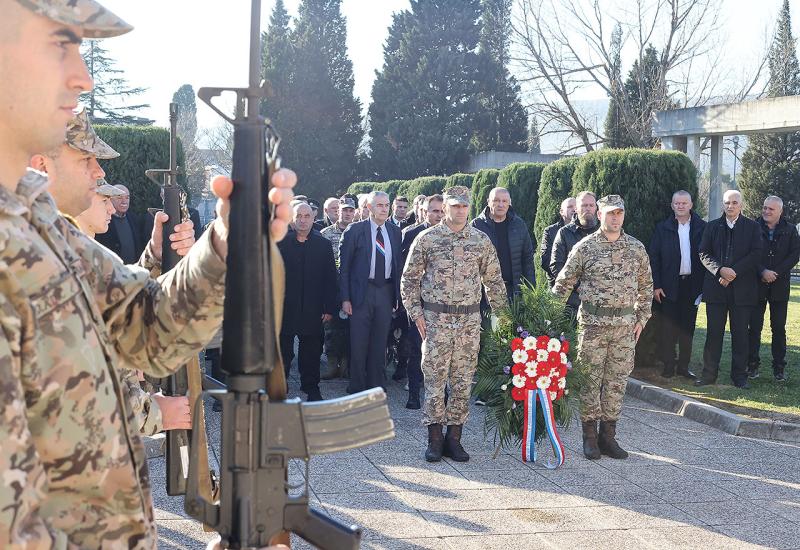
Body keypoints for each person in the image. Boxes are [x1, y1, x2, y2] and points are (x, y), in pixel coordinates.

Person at [0, 2, 296, 546]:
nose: (82, 76)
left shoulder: (31, 219)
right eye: (58, 44)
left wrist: (226, 245)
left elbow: (143, 325)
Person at [401, 186, 506, 463]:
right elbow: (409, 279)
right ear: (445, 207)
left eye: (463, 206)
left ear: (469, 208)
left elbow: (493, 281)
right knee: (435, 380)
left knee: (462, 382)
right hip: (435, 320)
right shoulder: (428, 238)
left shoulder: (480, 241)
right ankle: (434, 439)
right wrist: (417, 315)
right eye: (454, 206)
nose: (459, 210)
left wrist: (503, 318)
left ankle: (454, 438)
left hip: (469, 321)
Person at [553, 195, 652, 460]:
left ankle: (608, 437)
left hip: (624, 328)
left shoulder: (636, 248)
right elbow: (563, 283)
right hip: (593, 327)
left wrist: (642, 318)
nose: (615, 217)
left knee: (616, 383)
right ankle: (589, 437)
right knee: (590, 382)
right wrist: (548, 317)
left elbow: (646, 287)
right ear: (600, 215)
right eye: (610, 213)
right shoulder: (585, 247)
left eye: (619, 213)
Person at [696, 190, 763, 389]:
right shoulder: (712, 226)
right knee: (713, 334)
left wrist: (733, 272)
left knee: (741, 335)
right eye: (727, 202)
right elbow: (703, 253)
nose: (730, 206)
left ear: (740, 205)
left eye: (734, 202)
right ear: (723, 204)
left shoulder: (753, 227)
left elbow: (756, 253)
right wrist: (720, 271)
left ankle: (739, 376)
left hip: (742, 290)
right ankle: (709, 375)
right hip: (716, 289)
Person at [339, 191, 403, 393]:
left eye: (386, 205)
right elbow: (345, 268)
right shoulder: (354, 231)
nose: (384, 209)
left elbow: (397, 266)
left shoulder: (394, 232)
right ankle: (357, 385)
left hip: (384, 291)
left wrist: (396, 297)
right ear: (368, 208)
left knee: (380, 341)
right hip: (361, 293)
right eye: (379, 205)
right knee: (358, 342)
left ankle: (376, 384)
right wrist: (345, 298)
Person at [278, 203, 338, 401]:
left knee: (311, 352)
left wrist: (329, 308)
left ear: (314, 218)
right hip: (285, 308)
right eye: (299, 216)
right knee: (283, 351)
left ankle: (311, 386)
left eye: (307, 216)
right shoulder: (280, 244)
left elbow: (330, 278)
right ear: (292, 219)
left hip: (313, 308)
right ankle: (280, 384)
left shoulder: (323, 245)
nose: (303, 220)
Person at [648, 190, 706, 379]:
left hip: (692, 286)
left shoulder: (702, 227)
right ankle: (668, 365)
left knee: (687, 330)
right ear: (672, 205)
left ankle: (683, 367)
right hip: (668, 287)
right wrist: (656, 285)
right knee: (668, 329)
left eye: (684, 203)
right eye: (677, 203)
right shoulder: (662, 228)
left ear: (691, 205)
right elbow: (654, 258)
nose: (680, 206)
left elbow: (707, 257)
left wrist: (704, 288)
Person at [399, 194, 444, 410]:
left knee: (443, 353)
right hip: (419, 304)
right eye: (434, 210)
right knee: (416, 349)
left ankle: (441, 394)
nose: (439, 214)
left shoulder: (451, 236)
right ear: (424, 212)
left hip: (444, 306)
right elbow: (404, 272)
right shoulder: (411, 234)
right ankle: (414, 394)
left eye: (441, 210)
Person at [747, 195, 800, 382]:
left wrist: (775, 272)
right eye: (765, 207)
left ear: (780, 211)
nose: (766, 211)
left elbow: (795, 255)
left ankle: (779, 367)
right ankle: (752, 365)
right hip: (757, 284)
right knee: (754, 327)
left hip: (779, 286)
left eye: (771, 209)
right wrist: (762, 271)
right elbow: (749, 253)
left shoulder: (790, 230)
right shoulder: (753, 227)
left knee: (778, 328)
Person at [471, 187, 535, 299]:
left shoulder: (518, 225)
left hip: (514, 291)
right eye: (496, 200)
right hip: (485, 294)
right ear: (488, 202)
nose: (500, 204)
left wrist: (530, 290)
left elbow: (527, 259)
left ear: (509, 203)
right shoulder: (476, 226)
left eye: (504, 201)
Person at [320, 196, 356, 380]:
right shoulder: (325, 233)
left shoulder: (359, 231)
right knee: (331, 329)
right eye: (344, 210)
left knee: (351, 329)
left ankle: (347, 365)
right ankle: (332, 364)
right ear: (338, 211)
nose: (348, 213)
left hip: (352, 289)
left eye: (351, 210)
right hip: (332, 288)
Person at [550, 191, 599, 316]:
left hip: (600, 302)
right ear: (576, 208)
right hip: (572, 302)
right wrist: (579, 287)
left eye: (591, 205)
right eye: (584, 205)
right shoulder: (564, 233)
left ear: (596, 208)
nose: (588, 208)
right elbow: (556, 265)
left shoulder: (604, 233)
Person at [94, 182, 147, 261]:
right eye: (119, 197)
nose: (124, 201)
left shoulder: (135, 219)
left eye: (127, 197)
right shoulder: (102, 220)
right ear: (110, 199)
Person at [540, 197, 575, 286]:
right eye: (570, 207)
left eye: (576, 206)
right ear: (561, 211)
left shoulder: (586, 229)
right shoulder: (550, 231)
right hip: (557, 283)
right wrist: (565, 279)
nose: (574, 209)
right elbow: (546, 260)